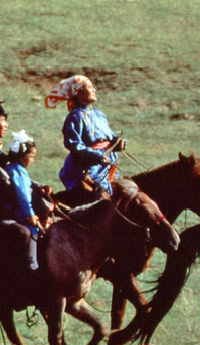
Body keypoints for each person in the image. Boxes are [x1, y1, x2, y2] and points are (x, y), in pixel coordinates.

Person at [45, 75, 126, 195]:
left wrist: (119, 141)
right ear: (78, 93)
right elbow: (74, 145)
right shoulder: (75, 117)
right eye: (89, 87)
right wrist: (96, 156)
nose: (94, 90)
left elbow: (110, 136)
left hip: (107, 165)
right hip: (88, 169)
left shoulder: (99, 114)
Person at [4, 131, 51, 272]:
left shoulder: (17, 169)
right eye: (31, 156)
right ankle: (32, 264)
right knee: (33, 230)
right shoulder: (16, 171)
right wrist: (29, 215)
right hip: (17, 210)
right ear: (22, 156)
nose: (32, 160)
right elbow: (23, 195)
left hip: (18, 209)